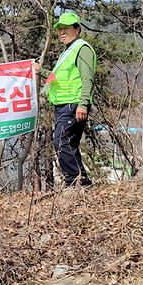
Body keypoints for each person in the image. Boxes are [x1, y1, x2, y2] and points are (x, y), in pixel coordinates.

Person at [44, 11, 97, 187]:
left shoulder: (81, 49)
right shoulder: (67, 52)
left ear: (77, 29)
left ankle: (74, 181)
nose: (61, 33)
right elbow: (57, 78)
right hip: (63, 105)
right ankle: (82, 182)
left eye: (66, 28)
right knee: (69, 144)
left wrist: (83, 104)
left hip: (73, 104)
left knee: (61, 142)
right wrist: (40, 71)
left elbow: (87, 78)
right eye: (59, 29)